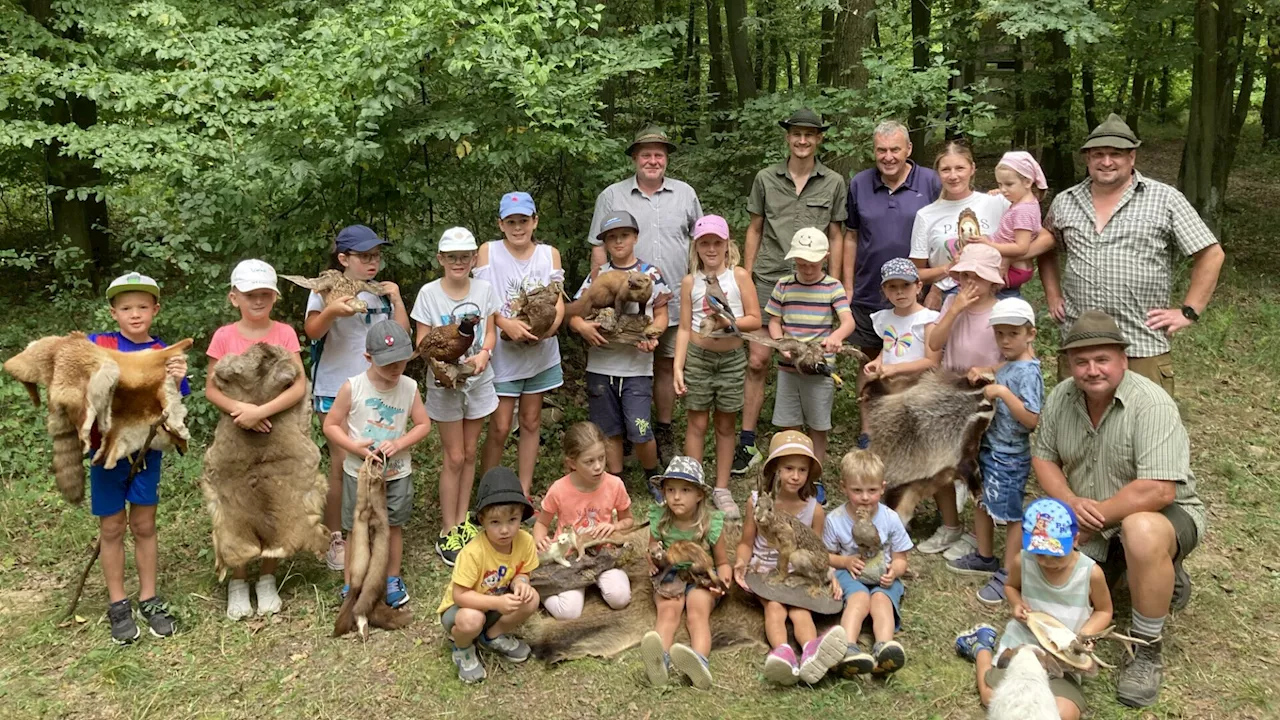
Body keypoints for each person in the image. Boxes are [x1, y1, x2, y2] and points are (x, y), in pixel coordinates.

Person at [1032, 310, 1205, 708]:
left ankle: (1145, 648)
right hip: (1092, 514)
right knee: (1051, 567)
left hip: (1163, 516)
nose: (1092, 370)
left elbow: (1159, 490)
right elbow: (1044, 459)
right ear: (1070, 364)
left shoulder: (1152, 403)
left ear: (1123, 359)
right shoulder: (1061, 396)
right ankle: (1156, 577)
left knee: (1141, 532)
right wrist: (1070, 504)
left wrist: (1097, 519)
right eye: (1081, 361)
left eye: (1102, 359)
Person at [1038, 113, 1225, 394]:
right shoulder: (1066, 201)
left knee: (1145, 432)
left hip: (1141, 343)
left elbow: (1211, 254)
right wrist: (1052, 294)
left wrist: (1189, 311)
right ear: (1087, 159)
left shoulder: (1165, 199)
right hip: (1080, 345)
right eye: (1098, 154)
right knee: (1075, 430)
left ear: (1132, 158)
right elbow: (1046, 248)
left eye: (1116, 154)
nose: (1106, 161)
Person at [738, 108, 849, 477]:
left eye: (810, 135)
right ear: (787, 137)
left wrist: (836, 280)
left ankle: (806, 444)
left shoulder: (833, 182)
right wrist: (746, 275)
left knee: (809, 360)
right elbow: (755, 228)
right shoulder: (766, 178)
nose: (802, 141)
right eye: (796, 134)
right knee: (758, 360)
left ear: (819, 139)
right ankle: (747, 441)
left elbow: (836, 234)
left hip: (814, 281)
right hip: (770, 275)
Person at [588, 126, 703, 462]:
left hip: (669, 300)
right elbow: (598, 248)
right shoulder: (612, 196)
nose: (653, 160)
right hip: (622, 300)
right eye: (646, 155)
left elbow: (699, 244)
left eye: (659, 155)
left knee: (665, 365)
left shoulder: (685, 194)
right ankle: (622, 435)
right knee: (623, 363)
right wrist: (600, 299)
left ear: (666, 159)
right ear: (635, 158)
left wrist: (697, 287)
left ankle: (662, 431)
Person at [88, 273, 190, 644]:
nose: (135, 314)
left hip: (146, 451)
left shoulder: (164, 353)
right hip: (106, 452)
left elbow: (172, 403)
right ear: (113, 312)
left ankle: (149, 598)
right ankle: (118, 604)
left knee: (144, 524)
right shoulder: (98, 345)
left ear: (155, 310)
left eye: (142, 307)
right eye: (126, 308)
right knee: (112, 526)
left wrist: (177, 379)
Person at [205, 260, 309, 619]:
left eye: (265, 294)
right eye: (251, 295)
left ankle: (267, 577)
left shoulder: (284, 333)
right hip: (236, 437)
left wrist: (263, 412)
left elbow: (299, 382)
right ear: (235, 297)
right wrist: (242, 411)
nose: (258, 300)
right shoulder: (224, 336)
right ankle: (238, 580)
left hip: (278, 436)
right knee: (236, 502)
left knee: (274, 500)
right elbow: (211, 387)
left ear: (275, 297)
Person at [302, 225, 409, 574]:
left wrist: (396, 299)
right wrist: (334, 310)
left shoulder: (380, 293)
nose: (372, 262)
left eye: (376, 256)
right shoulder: (325, 289)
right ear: (344, 258)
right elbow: (312, 331)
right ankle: (338, 535)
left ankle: (373, 527)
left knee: (376, 459)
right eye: (364, 257)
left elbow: (403, 335)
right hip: (335, 388)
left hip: (377, 389)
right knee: (342, 463)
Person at [954, 498, 1114, 720]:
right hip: (1023, 645)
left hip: (1062, 655)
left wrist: (1086, 634)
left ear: (1075, 539)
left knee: (1064, 713)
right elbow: (1010, 586)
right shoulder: (1024, 562)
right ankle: (981, 647)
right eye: (1040, 554)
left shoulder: (1090, 573)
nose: (1047, 562)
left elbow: (1104, 611)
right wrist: (1017, 603)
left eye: (1056, 554)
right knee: (991, 698)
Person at [322, 320, 431, 607]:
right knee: (356, 528)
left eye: (401, 363)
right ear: (369, 358)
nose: (396, 370)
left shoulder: (409, 387)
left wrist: (399, 443)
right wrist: (351, 446)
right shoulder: (353, 387)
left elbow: (423, 424)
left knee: (393, 526)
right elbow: (331, 425)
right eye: (388, 365)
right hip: (358, 473)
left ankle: (391, 578)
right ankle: (351, 584)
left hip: (396, 473)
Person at [412, 227, 501, 566]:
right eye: (452, 257)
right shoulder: (429, 294)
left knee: (468, 452)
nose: (459, 262)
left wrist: (483, 356)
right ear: (441, 259)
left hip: (478, 381)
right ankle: (448, 528)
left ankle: (464, 521)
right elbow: (424, 344)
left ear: (474, 259)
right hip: (446, 386)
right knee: (453, 456)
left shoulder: (484, 288)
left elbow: (490, 332)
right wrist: (444, 372)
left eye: (465, 257)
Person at [946, 298, 1043, 606]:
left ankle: (1009, 573)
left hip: (1010, 455)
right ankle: (984, 556)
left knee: (1011, 514)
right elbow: (1000, 373)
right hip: (990, 447)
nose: (1004, 341)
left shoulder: (1029, 373)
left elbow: (1031, 419)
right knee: (982, 501)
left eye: (1012, 334)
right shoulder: (1011, 364)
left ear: (1031, 334)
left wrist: (1002, 392)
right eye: (999, 334)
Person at [570, 211, 672, 494]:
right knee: (609, 432)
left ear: (635, 238)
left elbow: (661, 315)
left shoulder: (652, 273)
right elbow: (576, 313)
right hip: (602, 367)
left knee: (640, 429)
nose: (618, 242)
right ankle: (616, 483)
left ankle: (652, 478)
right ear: (604, 243)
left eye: (624, 235)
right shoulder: (599, 275)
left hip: (637, 368)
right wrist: (582, 327)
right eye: (611, 237)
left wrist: (654, 335)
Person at [733, 431, 847, 686]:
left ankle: (812, 652)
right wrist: (741, 562)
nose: (795, 476)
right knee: (774, 607)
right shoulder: (756, 503)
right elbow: (746, 542)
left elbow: (817, 550)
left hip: (797, 572)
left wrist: (829, 575)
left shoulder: (814, 509)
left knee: (800, 609)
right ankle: (783, 653)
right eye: (788, 468)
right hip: (764, 568)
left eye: (802, 470)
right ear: (775, 470)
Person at [475, 192, 566, 497]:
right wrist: (506, 324)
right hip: (504, 352)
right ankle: (489, 492)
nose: (518, 228)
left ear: (535, 221)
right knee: (500, 425)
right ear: (501, 224)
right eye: (511, 221)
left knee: (530, 420)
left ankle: (523, 491)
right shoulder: (488, 252)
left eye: (523, 221)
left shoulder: (549, 254)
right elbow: (482, 299)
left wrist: (549, 328)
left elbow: (559, 300)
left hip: (539, 349)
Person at [673, 214, 762, 520]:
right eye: (704, 243)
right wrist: (678, 367)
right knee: (696, 422)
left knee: (725, 424)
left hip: (731, 360)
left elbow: (755, 319)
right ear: (696, 247)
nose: (711, 249)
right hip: (698, 357)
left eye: (717, 243)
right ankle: (693, 485)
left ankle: (721, 488)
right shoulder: (690, 282)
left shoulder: (738, 277)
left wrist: (729, 322)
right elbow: (685, 328)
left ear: (727, 245)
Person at [920, 243, 1006, 558]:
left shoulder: (1001, 313)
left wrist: (988, 370)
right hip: (949, 393)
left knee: (978, 466)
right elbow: (935, 341)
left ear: (994, 282)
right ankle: (950, 525)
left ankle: (977, 533)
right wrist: (954, 309)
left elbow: (1016, 360)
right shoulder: (952, 305)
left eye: (977, 276)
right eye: (965, 274)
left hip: (983, 399)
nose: (969, 282)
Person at [844, 120, 942, 357]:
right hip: (869, 291)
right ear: (874, 151)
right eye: (881, 150)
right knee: (870, 363)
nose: (888, 157)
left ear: (908, 149)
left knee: (916, 363)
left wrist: (936, 290)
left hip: (917, 292)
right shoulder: (860, 183)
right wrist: (848, 287)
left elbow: (946, 238)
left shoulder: (931, 182)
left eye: (895, 149)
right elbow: (851, 236)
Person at [437, 467, 540, 684]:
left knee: (532, 599)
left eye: (512, 520)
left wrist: (522, 583)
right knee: (472, 619)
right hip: (462, 609)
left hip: (495, 606)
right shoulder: (473, 552)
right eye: (495, 522)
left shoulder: (525, 541)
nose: (505, 530)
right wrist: (498, 602)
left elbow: (522, 571)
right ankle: (462, 648)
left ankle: (493, 635)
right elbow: (460, 596)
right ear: (482, 520)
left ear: (522, 514)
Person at [640, 456, 733, 689]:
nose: (676, 496)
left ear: (700, 494)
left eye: (684, 490)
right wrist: (651, 560)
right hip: (670, 574)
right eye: (670, 490)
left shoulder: (711, 523)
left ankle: (699, 662)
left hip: (701, 576)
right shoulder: (659, 518)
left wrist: (723, 578)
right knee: (668, 612)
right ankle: (659, 660)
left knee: (696, 612)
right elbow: (652, 549)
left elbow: (722, 562)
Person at [766, 228, 855, 466]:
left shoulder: (832, 286)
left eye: (812, 265)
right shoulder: (784, 285)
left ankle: (814, 475)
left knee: (818, 424)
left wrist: (836, 336)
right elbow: (774, 321)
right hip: (788, 367)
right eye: (801, 264)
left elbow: (848, 321)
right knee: (789, 422)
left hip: (819, 368)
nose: (806, 269)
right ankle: (793, 468)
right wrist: (779, 343)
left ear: (825, 258)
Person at [532, 422, 635, 619]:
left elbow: (628, 520)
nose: (598, 466)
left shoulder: (615, 485)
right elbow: (541, 523)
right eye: (589, 462)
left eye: (602, 458)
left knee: (620, 598)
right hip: (569, 557)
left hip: (603, 554)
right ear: (572, 463)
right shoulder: (559, 489)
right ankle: (542, 592)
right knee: (569, 613)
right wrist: (540, 539)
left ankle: (591, 583)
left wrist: (613, 526)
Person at [824, 450, 912, 677]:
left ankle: (885, 648)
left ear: (882, 488)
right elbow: (825, 556)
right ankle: (848, 648)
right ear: (844, 487)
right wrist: (844, 562)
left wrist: (895, 571)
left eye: (872, 491)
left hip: (883, 576)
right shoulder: (835, 519)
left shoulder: (890, 518)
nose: (865, 497)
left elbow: (901, 557)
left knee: (881, 599)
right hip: (851, 574)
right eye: (857, 490)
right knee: (859, 599)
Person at [909, 141, 1010, 310]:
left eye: (960, 168)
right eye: (946, 170)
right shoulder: (926, 215)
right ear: (938, 174)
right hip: (951, 297)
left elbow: (1040, 238)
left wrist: (1006, 259)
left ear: (972, 168)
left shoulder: (997, 203)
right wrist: (948, 268)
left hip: (998, 292)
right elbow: (916, 273)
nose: (953, 175)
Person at [858, 259, 941, 446]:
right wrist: (879, 361)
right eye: (892, 287)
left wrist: (896, 369)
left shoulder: (927, 319)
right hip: (891, 389)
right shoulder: (885, 318)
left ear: (918, 287)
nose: (899, 292)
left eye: (906, 285)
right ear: (884, 291)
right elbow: (889, 346)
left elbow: (932, 361)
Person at [970, 151, 1047, 296]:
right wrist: (1000, 191)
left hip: (1013, 269)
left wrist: (989, 244)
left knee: (975, 287)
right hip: (1010, 264)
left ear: (1028, 182)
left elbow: (1021, 247)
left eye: (1009, 184)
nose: (1004, 190)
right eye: (1000, 184)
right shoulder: (1023, 201)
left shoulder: (1023, 211)